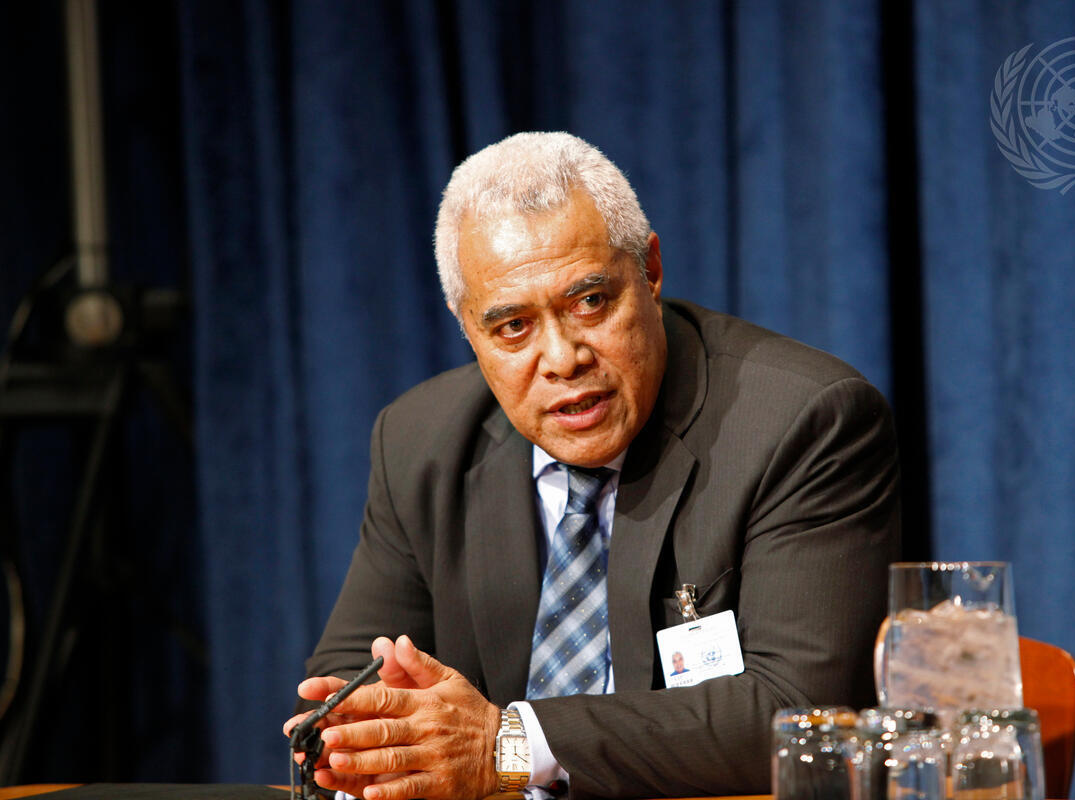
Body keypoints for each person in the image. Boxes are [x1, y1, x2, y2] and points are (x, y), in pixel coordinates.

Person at [284, 132, 900, 800]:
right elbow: (352, 681)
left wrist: (506, 747)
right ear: (469, 330)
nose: (562, 358)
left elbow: (799, 713)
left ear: (651, 271)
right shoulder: (419, 441)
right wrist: (369, 735)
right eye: (512, 326)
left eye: (590, 301)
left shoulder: (800, 421)